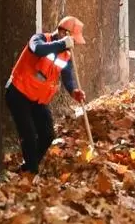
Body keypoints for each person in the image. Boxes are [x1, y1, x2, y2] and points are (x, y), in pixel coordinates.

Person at [5, 16, 86, 175]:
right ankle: (31, 172)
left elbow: (67, 77)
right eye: (73, 40)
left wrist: (74, 91)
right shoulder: (40, 39)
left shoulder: (66, 55)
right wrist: (62, 44)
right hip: (18, 94)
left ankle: (27, 167)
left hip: (37, 100)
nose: (74, 44)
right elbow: (38, 49)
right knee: (28, 135)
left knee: (48, 135)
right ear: (63, 32)